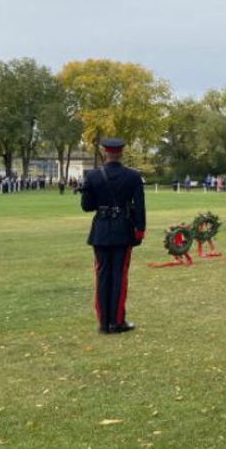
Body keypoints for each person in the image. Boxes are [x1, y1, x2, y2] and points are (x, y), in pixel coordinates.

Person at [80, 138, 146, 334]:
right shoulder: (133, 176)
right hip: (123, 230)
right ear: (121, 153)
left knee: (102, 276)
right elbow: (140, 207)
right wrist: (140, 230)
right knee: (119, 276)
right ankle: (117, 321)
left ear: (105, 152)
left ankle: (103, 323)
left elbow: (86, 207)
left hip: (100, 230)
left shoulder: (93, 176)